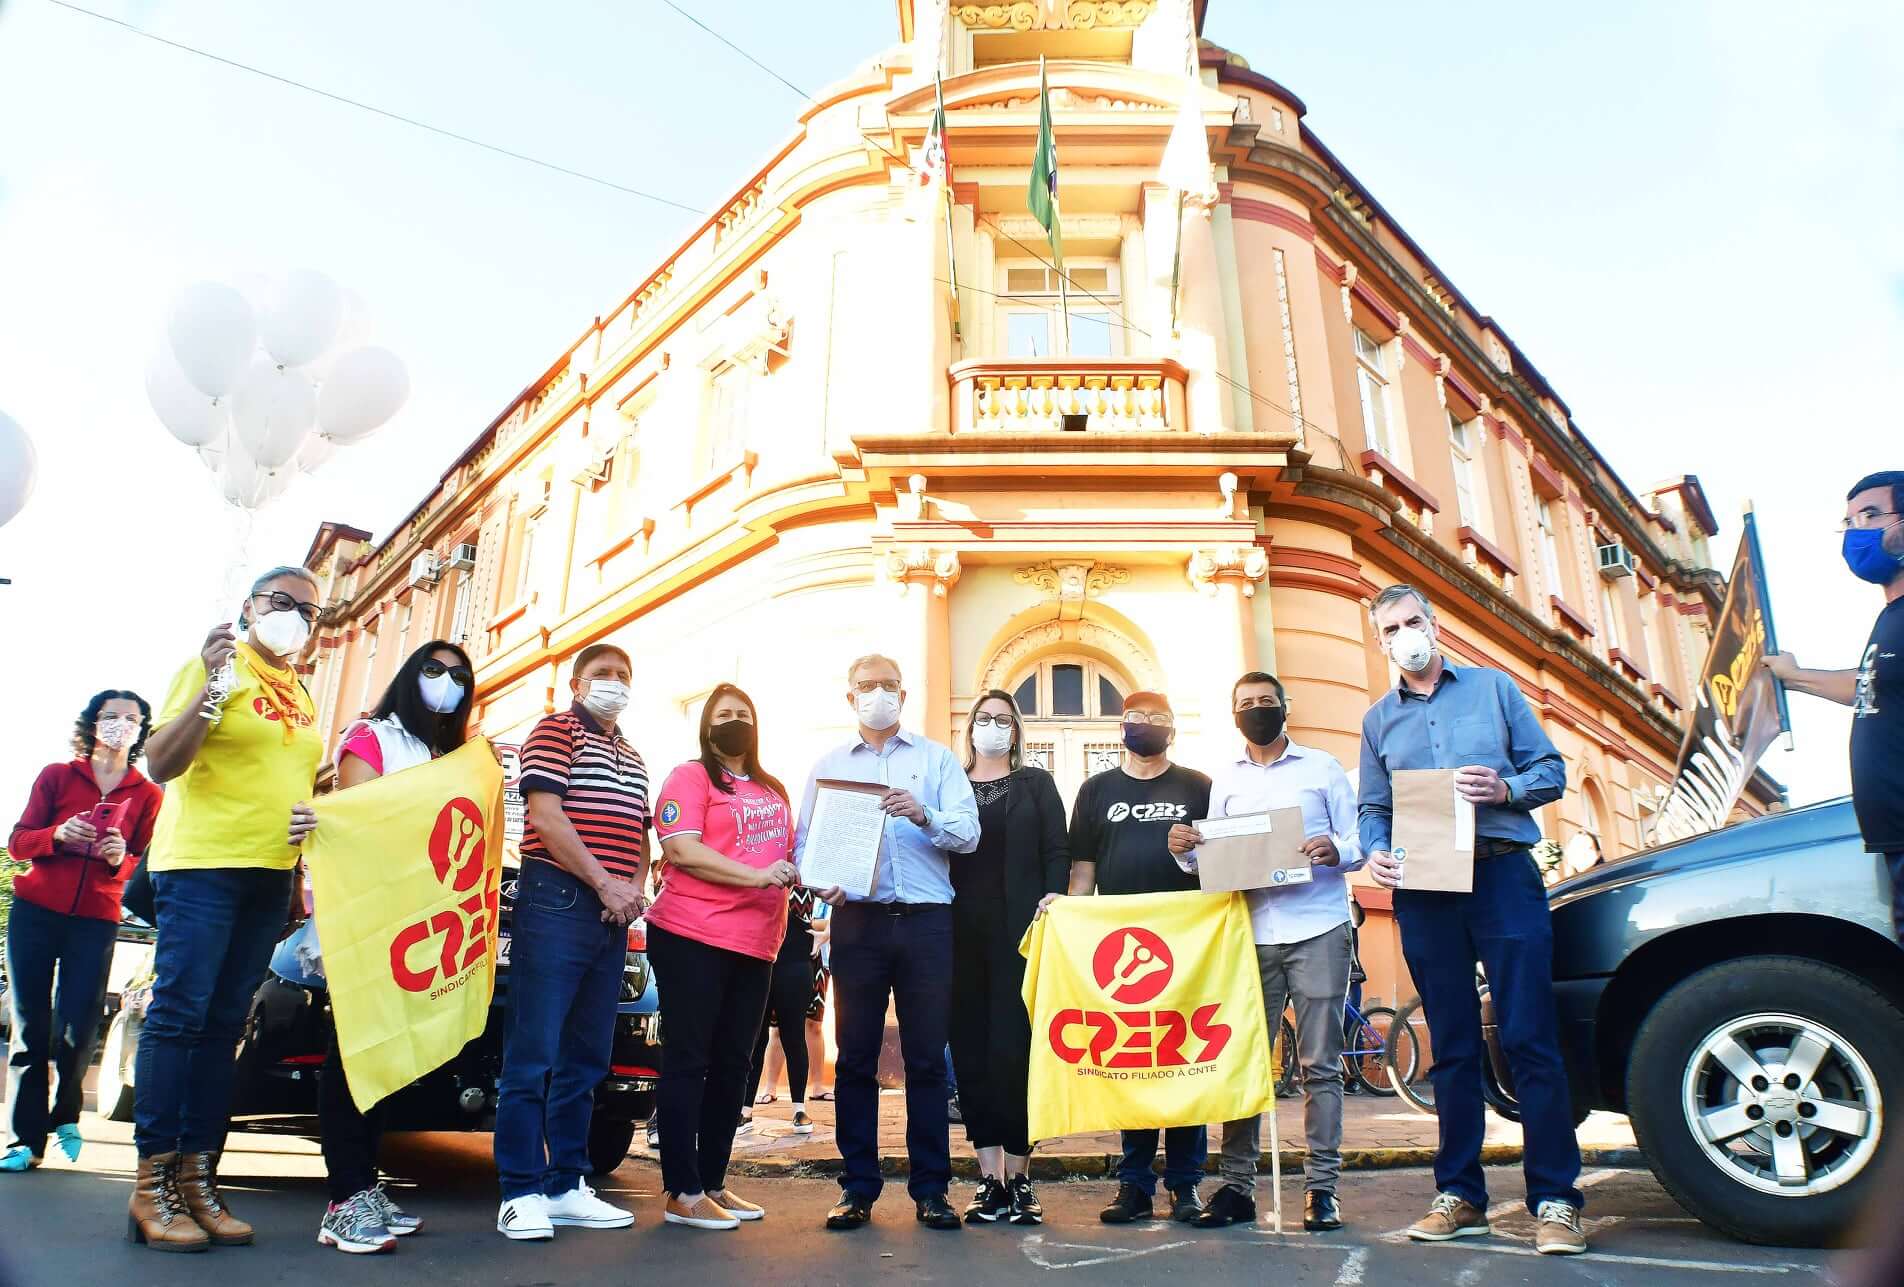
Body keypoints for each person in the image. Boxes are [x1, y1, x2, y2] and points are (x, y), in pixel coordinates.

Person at [1357, 583, 1585, 1255]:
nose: (1404, 634)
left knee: (1528, 1035)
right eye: (1391, 628)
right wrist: (1375, 850)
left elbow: (1551, 769)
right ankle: (1460, 1195)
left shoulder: (1494, 688)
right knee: (1452, 1046)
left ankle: (1556, 1200)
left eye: (1412, 621)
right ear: (1380, 641)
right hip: (1425, 886)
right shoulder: (1377, 722)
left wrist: (1506, 787)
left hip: (1502, 872)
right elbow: (1373, 806)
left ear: (1432, 623)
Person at [130, 566, 326, 1252]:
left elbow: (287, 778)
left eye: (310, 610)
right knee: (179, 1016)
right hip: (202, 866)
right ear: (250, 605)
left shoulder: (300, 690)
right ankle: (151, 1184)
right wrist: (212, 689)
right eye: (282, 601)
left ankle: (197, 1179)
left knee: (222, 1027)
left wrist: (305, 839)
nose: (296, 616)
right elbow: (161, 762)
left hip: (268, 873)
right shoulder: (216, 664)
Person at [1168, 671, 1362, 1231]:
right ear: (1235, 715)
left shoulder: (1322, 767)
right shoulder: (1226, 780)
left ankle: (1322, 1189)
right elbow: (1215, 858)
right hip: (1251, 932)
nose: (1257, 709)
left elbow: (1360, 841)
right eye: (1246, 703)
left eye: (1266, 701)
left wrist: (1335, 849)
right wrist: (1185, 849)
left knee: (1321, 1064)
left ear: (1284, 707)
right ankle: (1237, 1188)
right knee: (1246, 1061)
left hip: (1318, 926)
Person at [303, 641, 476, 1253]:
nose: (446, 682)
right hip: (369, 920)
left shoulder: (448, 757)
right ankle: (344, 1199)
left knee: (388, 1058)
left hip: (420, 926)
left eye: (459, 675)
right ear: (408, 676)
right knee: (353, 1053)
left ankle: (365, 1183)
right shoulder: (372, 737)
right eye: (434, 669)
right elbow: (359, 822)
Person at [800, 654, 979, 1234]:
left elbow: (969, 833)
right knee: (854, 1057)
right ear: (849, 696)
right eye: (866, 685)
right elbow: (806, 846)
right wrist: (822, 880)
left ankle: (932, 1189)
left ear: (903, 695)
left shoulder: (936, 759)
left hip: (927, 922)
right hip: (859, 921)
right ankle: (856, 1187)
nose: (877, 693)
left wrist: (925, 815)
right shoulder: (830, 767)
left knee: (926, 1059)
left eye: (887, 685)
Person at [494, 643, 650, 1242]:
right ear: (577, 684)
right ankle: (520, 1191)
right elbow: (546, 817)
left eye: (623, 674)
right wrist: (605, 883)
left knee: (586, 1057)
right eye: (602, 674)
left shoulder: (632, 753)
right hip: (558, 898)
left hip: (611, 912)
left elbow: (640, 834)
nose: (614, 682)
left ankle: (566, 1185)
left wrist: (630, 889)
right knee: (533, 1052)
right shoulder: (555, 731)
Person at [1046, 690, 1212, 1226]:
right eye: (1136, 717)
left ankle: (1185, 1184)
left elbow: (1219, 860)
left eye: (1157, 717)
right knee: (1134, 1060)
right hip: (1121, 948)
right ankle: (1134, 1184)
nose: (1146, 725)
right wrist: (1071, 919)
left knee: (1184, 1058)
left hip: (1186, 944)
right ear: (1121, 726)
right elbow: (1083, 870)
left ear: (1172, 727)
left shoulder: (1198, 787)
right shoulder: (1096, 791)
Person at [646, 683, 797, 1231]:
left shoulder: (772, 788)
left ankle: (712, 1181)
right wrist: (757, 876)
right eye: (724, 714)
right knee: (690, 1059)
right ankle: (681, 1191)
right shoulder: (690, 777)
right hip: (693, 935)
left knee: (736, 1064)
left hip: (757, 943)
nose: (735, 721)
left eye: (743, 714)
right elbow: (681, 849)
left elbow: (793, 853)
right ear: (707, 726)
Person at [5, 690, 164, 1173]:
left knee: (79, 1026)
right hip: (35, 912)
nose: (120, 725)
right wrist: (56, 835)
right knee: (30, 1027)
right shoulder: (57, 776)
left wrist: (120, 859)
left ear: (141, 731)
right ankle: (24, 1141)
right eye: (111, 716)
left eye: (131, 719)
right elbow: (17, 843)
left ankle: (65, 1115)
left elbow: (146, 867)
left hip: (96, 920)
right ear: (93, 724)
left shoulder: (148, 795)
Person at [1766, 471, 1904, 942]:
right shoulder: (1891, 619)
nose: (1855, 532)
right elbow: (1872, 685)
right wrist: (1795, 677)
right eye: (1848, 522)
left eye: (1870, 515)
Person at [949, 689, 1068, 1226]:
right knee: (970, 1053)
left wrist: (1055, 896)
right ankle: (989, 1179)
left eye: (1003, 719)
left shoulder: (1035, 784)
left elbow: (1057, 850)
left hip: (1022, 936)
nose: (993, 726)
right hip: (958, 936)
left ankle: (1020, 1177)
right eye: (984, 717)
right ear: (970, 726)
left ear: (1016, 729)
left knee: (1014, 1051)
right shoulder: (950, 783)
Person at [743, 885, 822, 1135]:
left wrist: (827, 932)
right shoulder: (758, 866)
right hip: (758, 953)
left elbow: (841, 894)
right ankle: (745, 1108)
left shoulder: (807, 870)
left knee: (794, 1034)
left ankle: (799, 1108)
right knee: (755, 1036)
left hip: (796, 956)